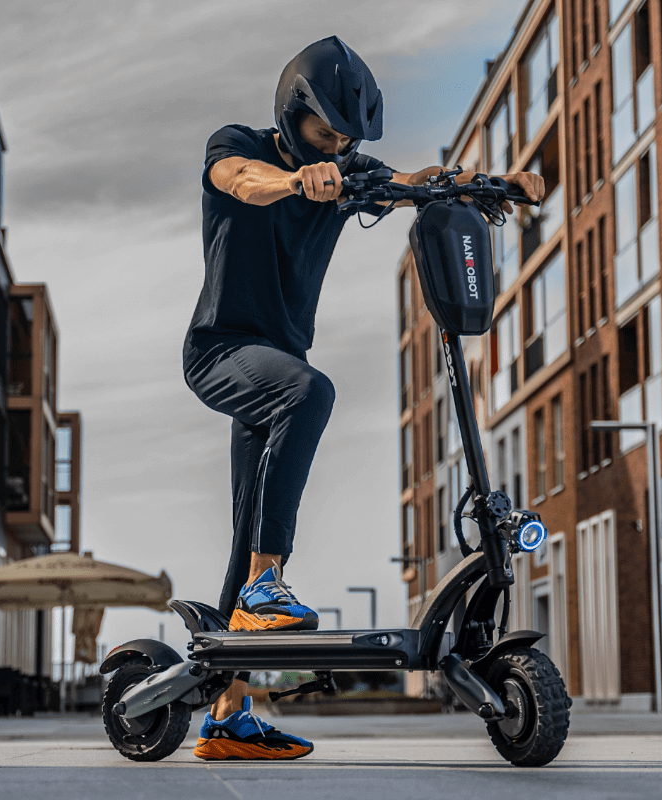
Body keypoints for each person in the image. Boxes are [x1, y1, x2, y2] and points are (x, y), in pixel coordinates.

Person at [182, 35, 544, 761]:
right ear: (293, 114)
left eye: (348, 138)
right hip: (222, 352)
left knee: (246, 527)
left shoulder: (348, 170)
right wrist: (295, 183)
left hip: (277, 370)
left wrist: (484, 182)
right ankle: (265, 588)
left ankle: (227, 719)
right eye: (326, 133)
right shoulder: (240, 145)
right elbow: (240, 179)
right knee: (311, 394)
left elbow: (412, 177)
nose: (338, 147)